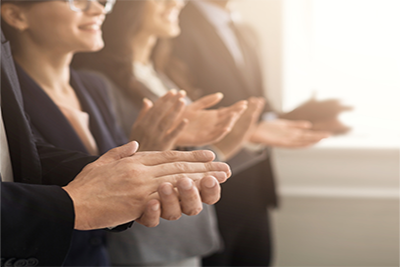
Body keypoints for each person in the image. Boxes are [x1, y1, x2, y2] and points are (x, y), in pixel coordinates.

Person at [0, 5, 231, 267]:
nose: (98, 8)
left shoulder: (95, 85)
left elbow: (99, 176)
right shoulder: (11, 92)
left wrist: (146, 160)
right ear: (17, 16)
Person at [72, 0, 266, 266]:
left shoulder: (163, 73)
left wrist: (236, 141)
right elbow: (108, 167)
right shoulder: (97, 81)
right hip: (144, 243)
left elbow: (176, 159)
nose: (178, 2)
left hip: (185, 237)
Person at [171, 0, 332, 266]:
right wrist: (254, 131)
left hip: (256, 187)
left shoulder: (245, 30)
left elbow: (257, 101)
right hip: (215, 191)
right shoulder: (177, 24)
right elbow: (189, 112)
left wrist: (283, 120)